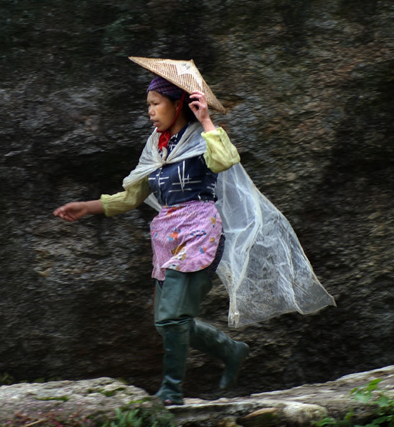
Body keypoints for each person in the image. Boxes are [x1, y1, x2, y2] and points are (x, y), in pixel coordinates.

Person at [53, 64, 249, 405]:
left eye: (156, 103)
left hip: (200, 233)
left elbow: (226, 160)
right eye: (148, 104)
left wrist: (205, 120)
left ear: (178, 104)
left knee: (172, 317)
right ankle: (231, 350)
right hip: (167, 238)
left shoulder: (202, 139)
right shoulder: (157, 148)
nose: (150, 111)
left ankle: (171, 391)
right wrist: (87, 206)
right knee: (167, 322)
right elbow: (131, 196)